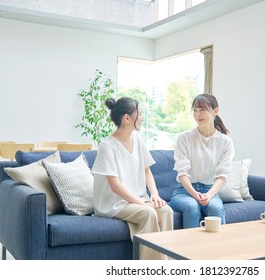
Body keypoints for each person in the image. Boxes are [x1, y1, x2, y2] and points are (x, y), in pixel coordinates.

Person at [92, 97, 173, 260]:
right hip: (113, 203)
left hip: (137, 199)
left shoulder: (137, 139)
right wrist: (142, 203)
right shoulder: (107, 146)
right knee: (148, 213)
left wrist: (155, 195)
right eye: (140, 113)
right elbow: (115, 186)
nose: (142, 117)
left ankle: (168, 261)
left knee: (166, 211)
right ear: (127, 118)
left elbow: (147, 171)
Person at [169, 93, 235, 229]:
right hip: (184, 192)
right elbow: (182, 174)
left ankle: (219, 248)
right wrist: (195, 194)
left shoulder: (225, 142)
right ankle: (190, 250)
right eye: (195, 110)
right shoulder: (184, 138)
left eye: (202, 109)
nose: (198, 114)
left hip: (210, 190)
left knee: (216, 208)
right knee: (192, 206)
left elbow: (222, 176)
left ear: (215, 111)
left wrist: (209, 195)